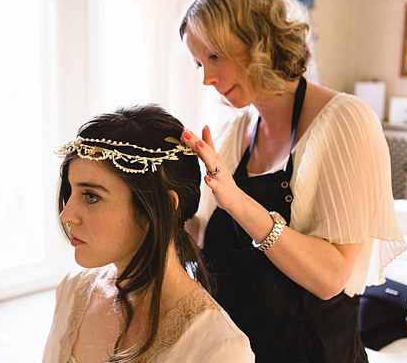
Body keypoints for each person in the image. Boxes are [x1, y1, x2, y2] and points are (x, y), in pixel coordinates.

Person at [178, 0, 407, 363]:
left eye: (214, 56)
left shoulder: (346, 121)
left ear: (257, 37)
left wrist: (237, 201)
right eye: (199, 63)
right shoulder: (234, 133)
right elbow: (202, 243)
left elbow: (329, 278)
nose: (207, 78)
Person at [43, 104, 254, 362]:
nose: (66, 215)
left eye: (91, 196)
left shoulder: (218, 348)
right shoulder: (73, 289)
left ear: (161, 208)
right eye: (71, 191)